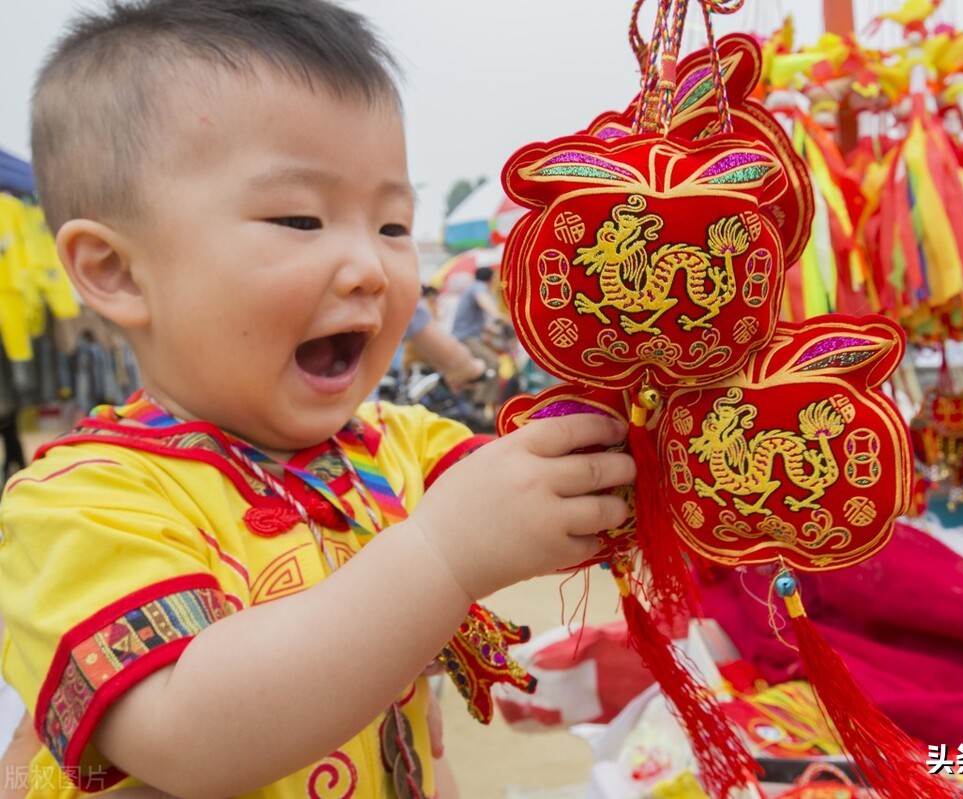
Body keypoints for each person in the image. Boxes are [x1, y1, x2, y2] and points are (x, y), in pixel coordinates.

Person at [0, 1, 635, 797]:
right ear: (116, 270)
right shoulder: (80, 506)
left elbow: (567, 484)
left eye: (394, 225)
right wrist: (439, 555)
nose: (370, 266)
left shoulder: (399, 445)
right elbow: (189, 732)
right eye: (300, 218)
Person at [449, 266, 507, 412]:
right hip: (466, 339)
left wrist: (499, 331)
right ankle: (479, 404)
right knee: (492, 363)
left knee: (478, 368)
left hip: (464, 338)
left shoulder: (471, 288)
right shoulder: (479, 288)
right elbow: (487, 306)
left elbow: (483, 325)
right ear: (491, 280)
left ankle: (475, 404)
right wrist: (499, 316)